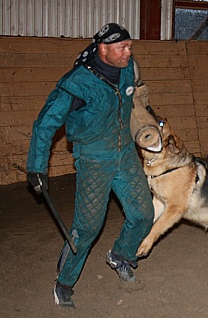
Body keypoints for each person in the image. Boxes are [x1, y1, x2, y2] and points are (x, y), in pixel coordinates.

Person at [26, 23, 154, 308]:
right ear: (103, 49)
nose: (128, 52)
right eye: (122, 48)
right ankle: (64, 283)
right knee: (87, 228)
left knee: (144, 213)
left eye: (130, 46)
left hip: (124, 154)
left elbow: (135, 99)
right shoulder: (76, 84)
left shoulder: (128, 68)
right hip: (94, 159)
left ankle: (121, 254)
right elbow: (45, 123)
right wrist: (36, 167)